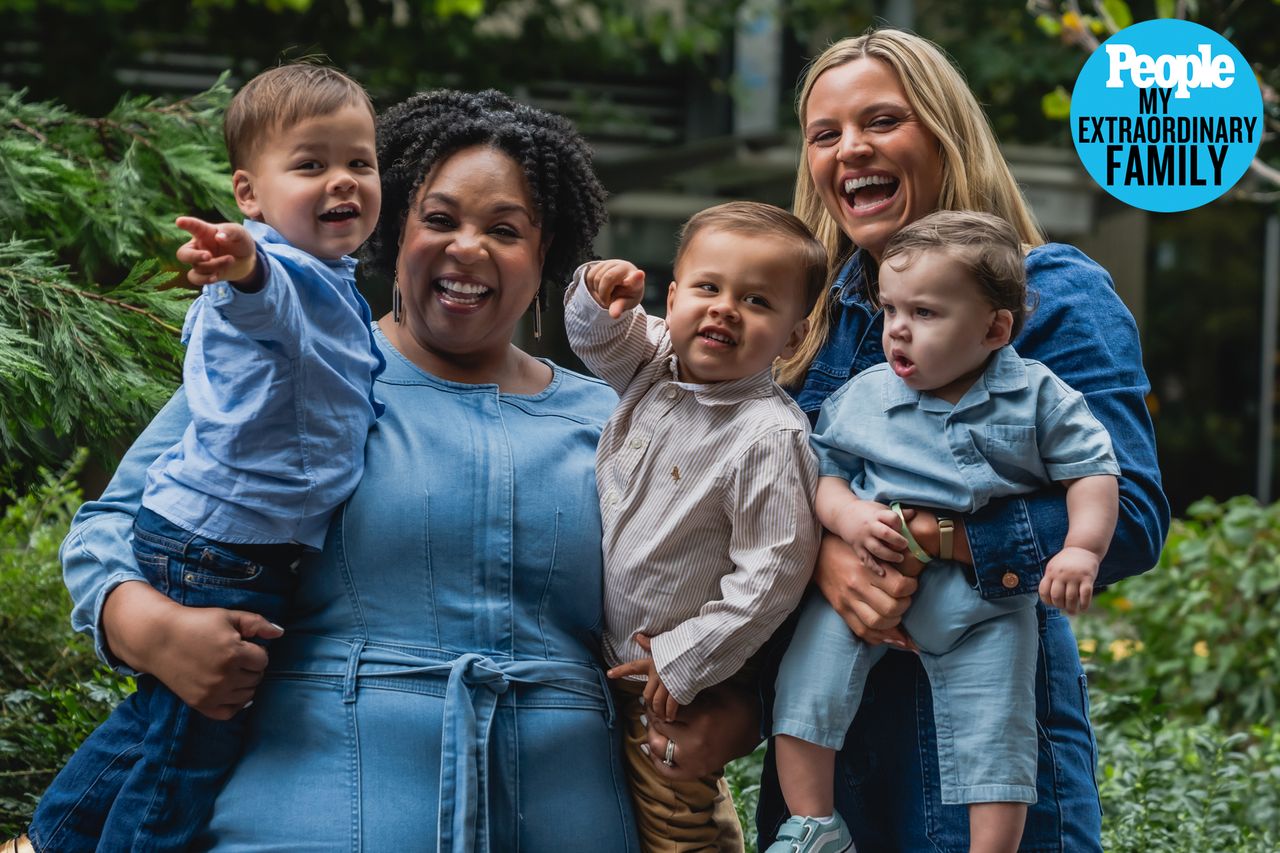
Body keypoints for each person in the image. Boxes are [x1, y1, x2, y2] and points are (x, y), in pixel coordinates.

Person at [8, 88, 766, 853]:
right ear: (391, 232)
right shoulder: (300, 369)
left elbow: (723, 584)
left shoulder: (621, 417)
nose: (467, 247)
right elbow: (112, 524)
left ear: (546, 257)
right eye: (439, 219)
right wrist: (150, 628)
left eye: (504, 230)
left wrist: (736, 713)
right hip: (303, 816)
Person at [758, 29, 1169, 853]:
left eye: (883, 120)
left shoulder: (1054, 294)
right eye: (825, 133)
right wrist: (826, 551)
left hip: (986, 756)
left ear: (945, 133)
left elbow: (1130, 514)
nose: (852, 149)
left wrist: (935, 539)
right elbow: (757, 499)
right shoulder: (807, 316)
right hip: (828, 765)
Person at [27, 62, 386, 852]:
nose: (344, 181)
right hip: (225, 549)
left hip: (216, 537)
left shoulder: (332, 275)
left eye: (360, 162)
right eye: (311, 164)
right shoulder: (278, 270)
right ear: (249, 195)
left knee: (156, 723)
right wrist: (244, 269)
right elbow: (269, 306)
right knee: (187, 761)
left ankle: (53, 837)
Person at [767, 210, 1120, 853]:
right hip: (863, 586)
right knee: (805, 690)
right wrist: (847, 517)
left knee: (999, 734)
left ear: (995, 328)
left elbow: (1094, 471)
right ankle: (814, 824)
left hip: (982, 605)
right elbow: (822, 473)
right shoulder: (863, 395)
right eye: (890, 310)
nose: (897, 331)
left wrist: (1080, 548)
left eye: (925, 314)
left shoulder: (1039, 395)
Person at [565, 201, 825, 851]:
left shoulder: (767, 434)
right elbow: (598, 340)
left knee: (678, 827)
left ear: (794, 336)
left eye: (758, 301)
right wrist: (599, 295)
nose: (724, 308)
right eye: (707, 287)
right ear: (673, 296)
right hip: (596, 664)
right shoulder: (655, 361)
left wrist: (688, 659)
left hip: (671, 684)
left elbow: (774, 571)